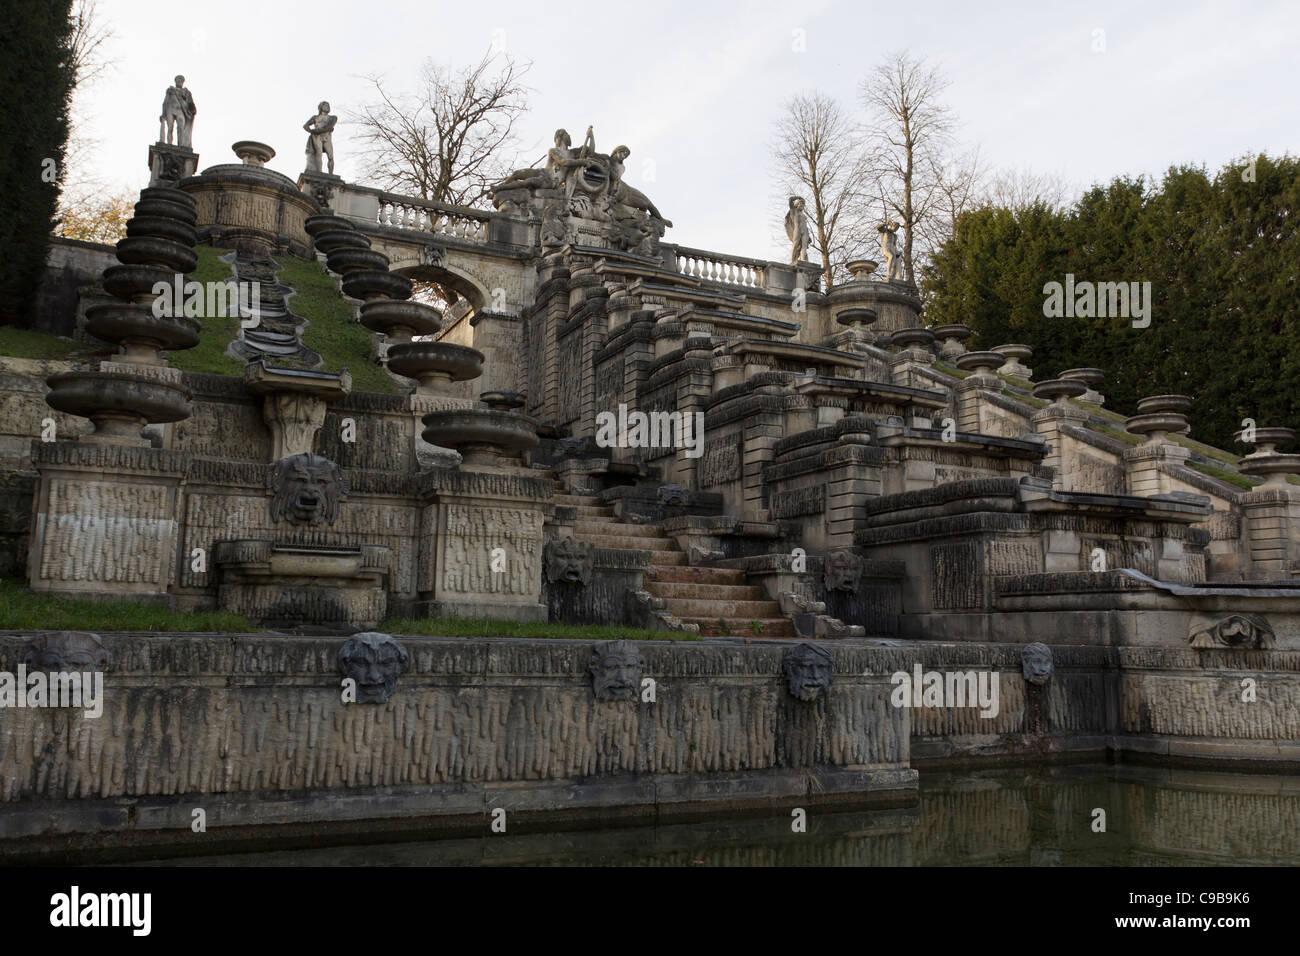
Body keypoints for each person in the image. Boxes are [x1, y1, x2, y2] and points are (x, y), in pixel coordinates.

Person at [304, 102, 337, 174]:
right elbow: (305, 126)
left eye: (328, 106)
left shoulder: (333, 117)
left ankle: (330, 174)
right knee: (319, 153)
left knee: (330, 156)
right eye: (325, 105)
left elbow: (330, 126)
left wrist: (317, 131)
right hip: (317, 137)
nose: (327, 107)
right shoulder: (315, 117)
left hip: (326, 136)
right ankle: (319, 172)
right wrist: (311, 131)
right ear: (321, 107)